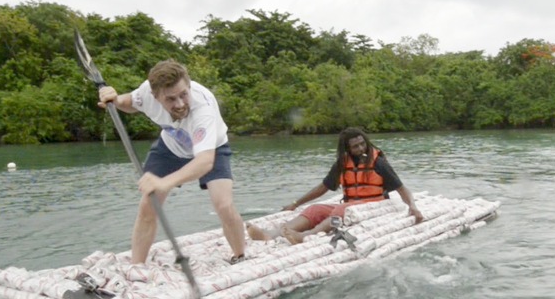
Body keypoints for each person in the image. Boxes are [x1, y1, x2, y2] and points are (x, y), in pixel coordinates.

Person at [97, 60, 247, 265]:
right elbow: (130, 103)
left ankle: (239, 256)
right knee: (149, 206)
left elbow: (204, 162)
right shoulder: (145, 93)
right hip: (171, 145)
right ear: (155, 96)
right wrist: (114, 99)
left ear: (189, 85)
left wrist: (164, 182)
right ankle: (137, 266)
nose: (179, 104)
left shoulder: (203, 110)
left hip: (212, 148)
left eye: (183, 94)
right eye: (170, 99)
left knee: (223, 204)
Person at [247, 127, 424, 245]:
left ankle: (308, 235)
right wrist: (296, 203)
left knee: (342, 210)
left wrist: (413, 207)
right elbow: (323, 187)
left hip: (373, 205)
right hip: (350, 204)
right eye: (355, 146)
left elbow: (401, 188)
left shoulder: (378, 162)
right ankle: (272, 234)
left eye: (363, 143)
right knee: (315, 209)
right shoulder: (342, 163)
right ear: (347, 149)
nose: (361, 148)